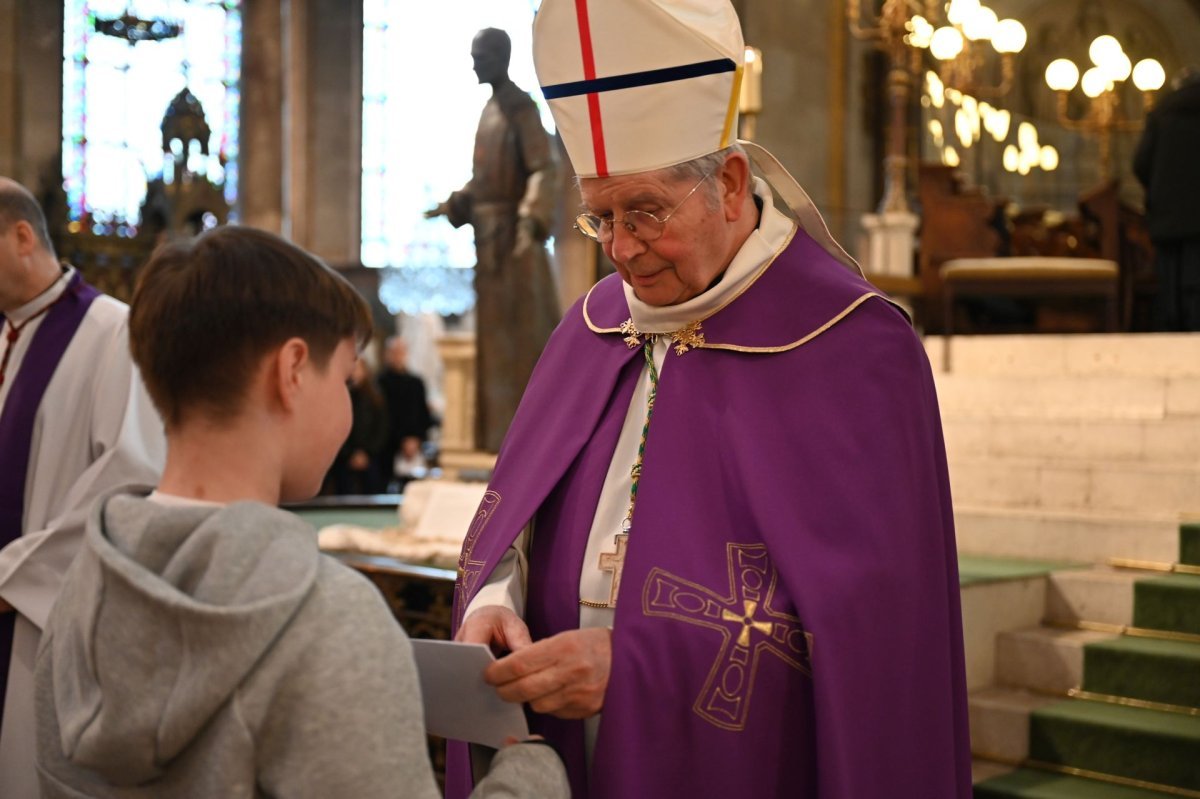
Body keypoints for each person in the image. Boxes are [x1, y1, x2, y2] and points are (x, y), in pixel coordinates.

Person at [448, 3, 971, 797]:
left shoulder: (854, 347)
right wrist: (495, 597)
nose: (621, 249)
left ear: (728, 185)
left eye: (644, 212)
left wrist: (642, 667)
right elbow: (515, 521)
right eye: (600, 219)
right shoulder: (590, 330)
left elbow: (873, 635)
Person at [33, 226, 569, 798]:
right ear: (291, 371)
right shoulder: (328, 620)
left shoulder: (80, 587)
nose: (347, 405)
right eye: (342, 377)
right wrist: (531, 773)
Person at [0, 177, 165, 798]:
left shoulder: (113, 332)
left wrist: (10, 577)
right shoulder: (4, 332)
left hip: (36, 621)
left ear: (22, 237)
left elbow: (130, 482)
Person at [426, 27, 560, 454]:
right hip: (489, 244)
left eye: (480, 57)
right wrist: (454, 204)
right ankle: (499, 443)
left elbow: (543, 167)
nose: (474, 65)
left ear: (501, 58)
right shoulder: (490, 110)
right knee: (496, 347)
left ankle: (526, 444)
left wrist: (530, 219)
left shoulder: (520, 107)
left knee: (521, 343)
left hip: (514, 245)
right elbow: (484, 183)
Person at [1134, 66, 1200, 331]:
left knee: (1169, 282)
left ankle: (1172, 332)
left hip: (1168, 214)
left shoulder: (1161, 113)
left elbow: (1140, 163)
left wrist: (1158, 188)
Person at [328, 357, 390, 495]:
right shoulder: (339, 396)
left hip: (370, 456)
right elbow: (336, 427)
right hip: (345, 457)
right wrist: (349, 453)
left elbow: (381, 428)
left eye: (358, 369)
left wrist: (366, 452)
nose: (354, 372)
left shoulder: (376, 398)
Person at [377, 336, 435, 484]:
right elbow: (383, 416)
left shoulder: (416, 383)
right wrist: (401, 440)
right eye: (394, 352)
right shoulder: (379, 383)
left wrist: (415, 438)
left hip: (414, 445)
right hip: (387, 446)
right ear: (387, 354)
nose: (397, 356)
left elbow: (422, 414)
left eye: (400, 352)